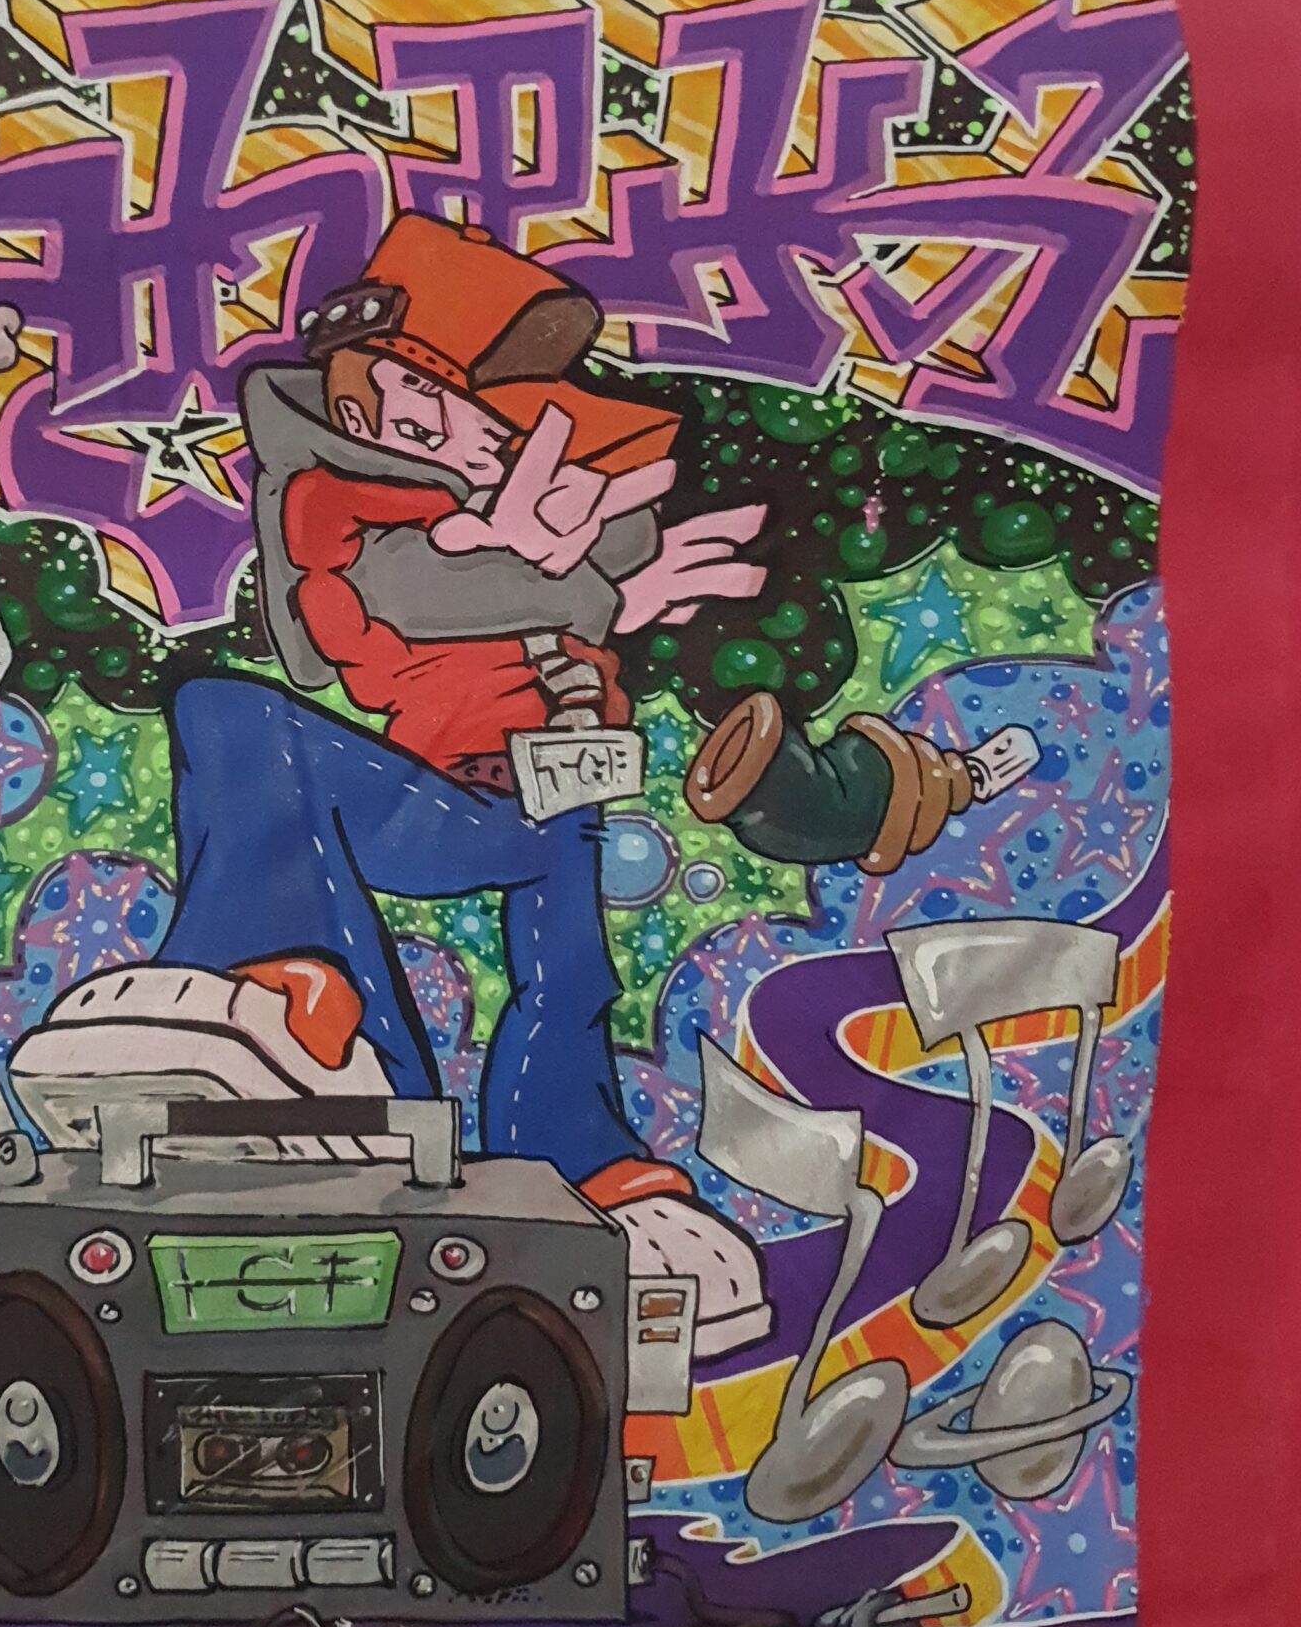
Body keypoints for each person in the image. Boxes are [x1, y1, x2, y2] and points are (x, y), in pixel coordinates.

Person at [121, 214, 1032, 1352]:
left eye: (458, 414)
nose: (433, 431)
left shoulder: (540, 530)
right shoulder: (340, 504)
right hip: (412, 795)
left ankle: (589, 1167)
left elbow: (567, 565)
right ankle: (296, 1021)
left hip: (531, 798)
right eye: (402, 403)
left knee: (566, 952)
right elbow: (399, 593)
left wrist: (599, 581)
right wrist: (572, 580)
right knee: (226, 714)